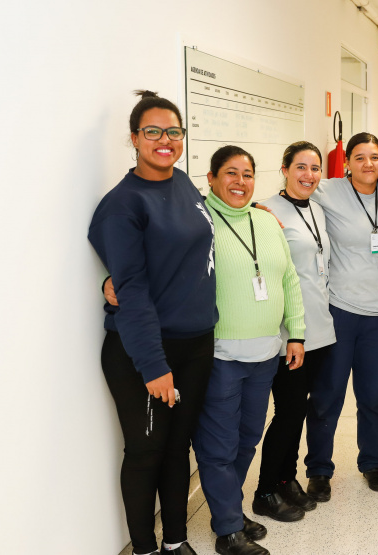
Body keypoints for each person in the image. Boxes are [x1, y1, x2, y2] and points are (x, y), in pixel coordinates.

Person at [88, 90, 216, 555]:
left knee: (177, 447)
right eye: (153, 132)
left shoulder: (181, 182)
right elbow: (133, 290)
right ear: (134, 138)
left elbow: (189, 245)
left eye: (174, 131)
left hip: (196, 344)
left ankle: (176, 540)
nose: (165, 140)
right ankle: (143, 548)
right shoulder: (124, 204)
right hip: (144, 350)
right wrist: (154, 365)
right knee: (145, 454)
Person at [188, 145, 305, 555]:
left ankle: (230, 513)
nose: (240, 182)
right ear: (212, 178)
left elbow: (289, 277)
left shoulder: (266, 221)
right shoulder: (201, 220)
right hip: (221, 354)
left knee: (246, 440)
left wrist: (297, 333)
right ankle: (227, 530)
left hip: (265, 355)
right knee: (218, 445)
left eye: (248, 174)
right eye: (231, 173)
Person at [302, 132, 378, 501]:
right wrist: (265, 210)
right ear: (346, 162)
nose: (368, 164)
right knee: (327, 395)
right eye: (359, 157)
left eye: (374, 157)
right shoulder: (329, 190)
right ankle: (319, 469)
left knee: (374, 396)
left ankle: (373, 463)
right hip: (340, 310)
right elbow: (295, 193)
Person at [254, 142, 335, 517]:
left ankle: (287, 481)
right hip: (291, 334)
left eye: (315, 168)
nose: (309, 175)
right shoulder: (266, 213)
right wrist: (291, 334)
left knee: (299, 411)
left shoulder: (318, 209)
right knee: (286, 412)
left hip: (318, 328)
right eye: (300, 167)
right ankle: (265, 489)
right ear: (284, 169)